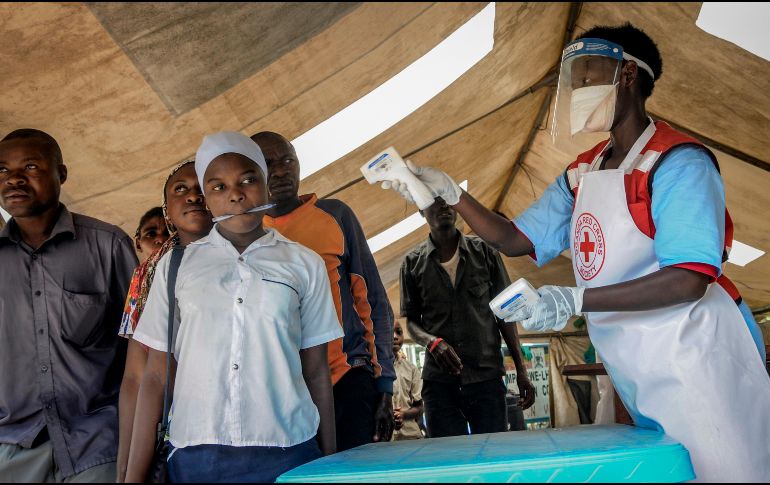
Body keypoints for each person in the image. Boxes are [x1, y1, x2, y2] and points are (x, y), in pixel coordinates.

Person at [383, 24, 770, 481]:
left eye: (589, 76)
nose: (580, 89)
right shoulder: (584, 171)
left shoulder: (678, 161)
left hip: (697, 353)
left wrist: (576, 299)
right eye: (577, 79)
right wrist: (454, 194)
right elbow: (515, 238)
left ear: (627, 75)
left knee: (723, 469)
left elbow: (689, 279)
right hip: (635, 361)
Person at [125, 132, 342, 483]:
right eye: (219, 187)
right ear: (207, 199)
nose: (236, 194)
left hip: (288, 448)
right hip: (197, 455)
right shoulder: (177, 266)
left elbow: (316, 370)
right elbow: (154, 376)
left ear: (266, 185)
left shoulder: (304, 264)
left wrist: (329, 463)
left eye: (248, 180)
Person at [0, 129, 137, 482]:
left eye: (30, 166)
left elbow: (141, 348)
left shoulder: (108, 246)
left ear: (61, 173)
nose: (13, 178)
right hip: (12, 448)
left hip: (99, 443)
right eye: (2, 169)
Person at [253, 131, 396, 451]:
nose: (281, 171)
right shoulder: (247, 233)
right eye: (269, 163)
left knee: (351, 469)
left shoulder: (335, 215)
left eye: (288, 161)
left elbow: (372, 300)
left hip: (347, 379)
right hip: (281, 392)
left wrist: (384, 385)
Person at [400, 197, 535, 438]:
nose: (444, 206)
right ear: (421, 210)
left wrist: (521, 371)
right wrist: (432, 342)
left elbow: (506, 316)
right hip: (439, 384)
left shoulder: (486, 252)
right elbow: (410, 321)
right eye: (433, 201)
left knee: (493, 451)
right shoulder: (412, 263)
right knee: (449, 457)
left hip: (486, 379)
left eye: (447, 199)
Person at [116, 160, 213, 482]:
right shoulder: (152, 272)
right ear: (167, 210)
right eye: (181, 189)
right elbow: (138, 375)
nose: (194, 196)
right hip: (182, 430)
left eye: (204, 187)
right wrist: (126, 469)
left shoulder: (256, 255)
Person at [390, 320, 424, 441]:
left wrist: (403, 415)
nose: (395, 336)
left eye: (399, 332)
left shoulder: (412, 369)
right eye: (390, 331)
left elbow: (419, 407)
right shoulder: (373, 368)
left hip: (410, 436)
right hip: (384, 439)